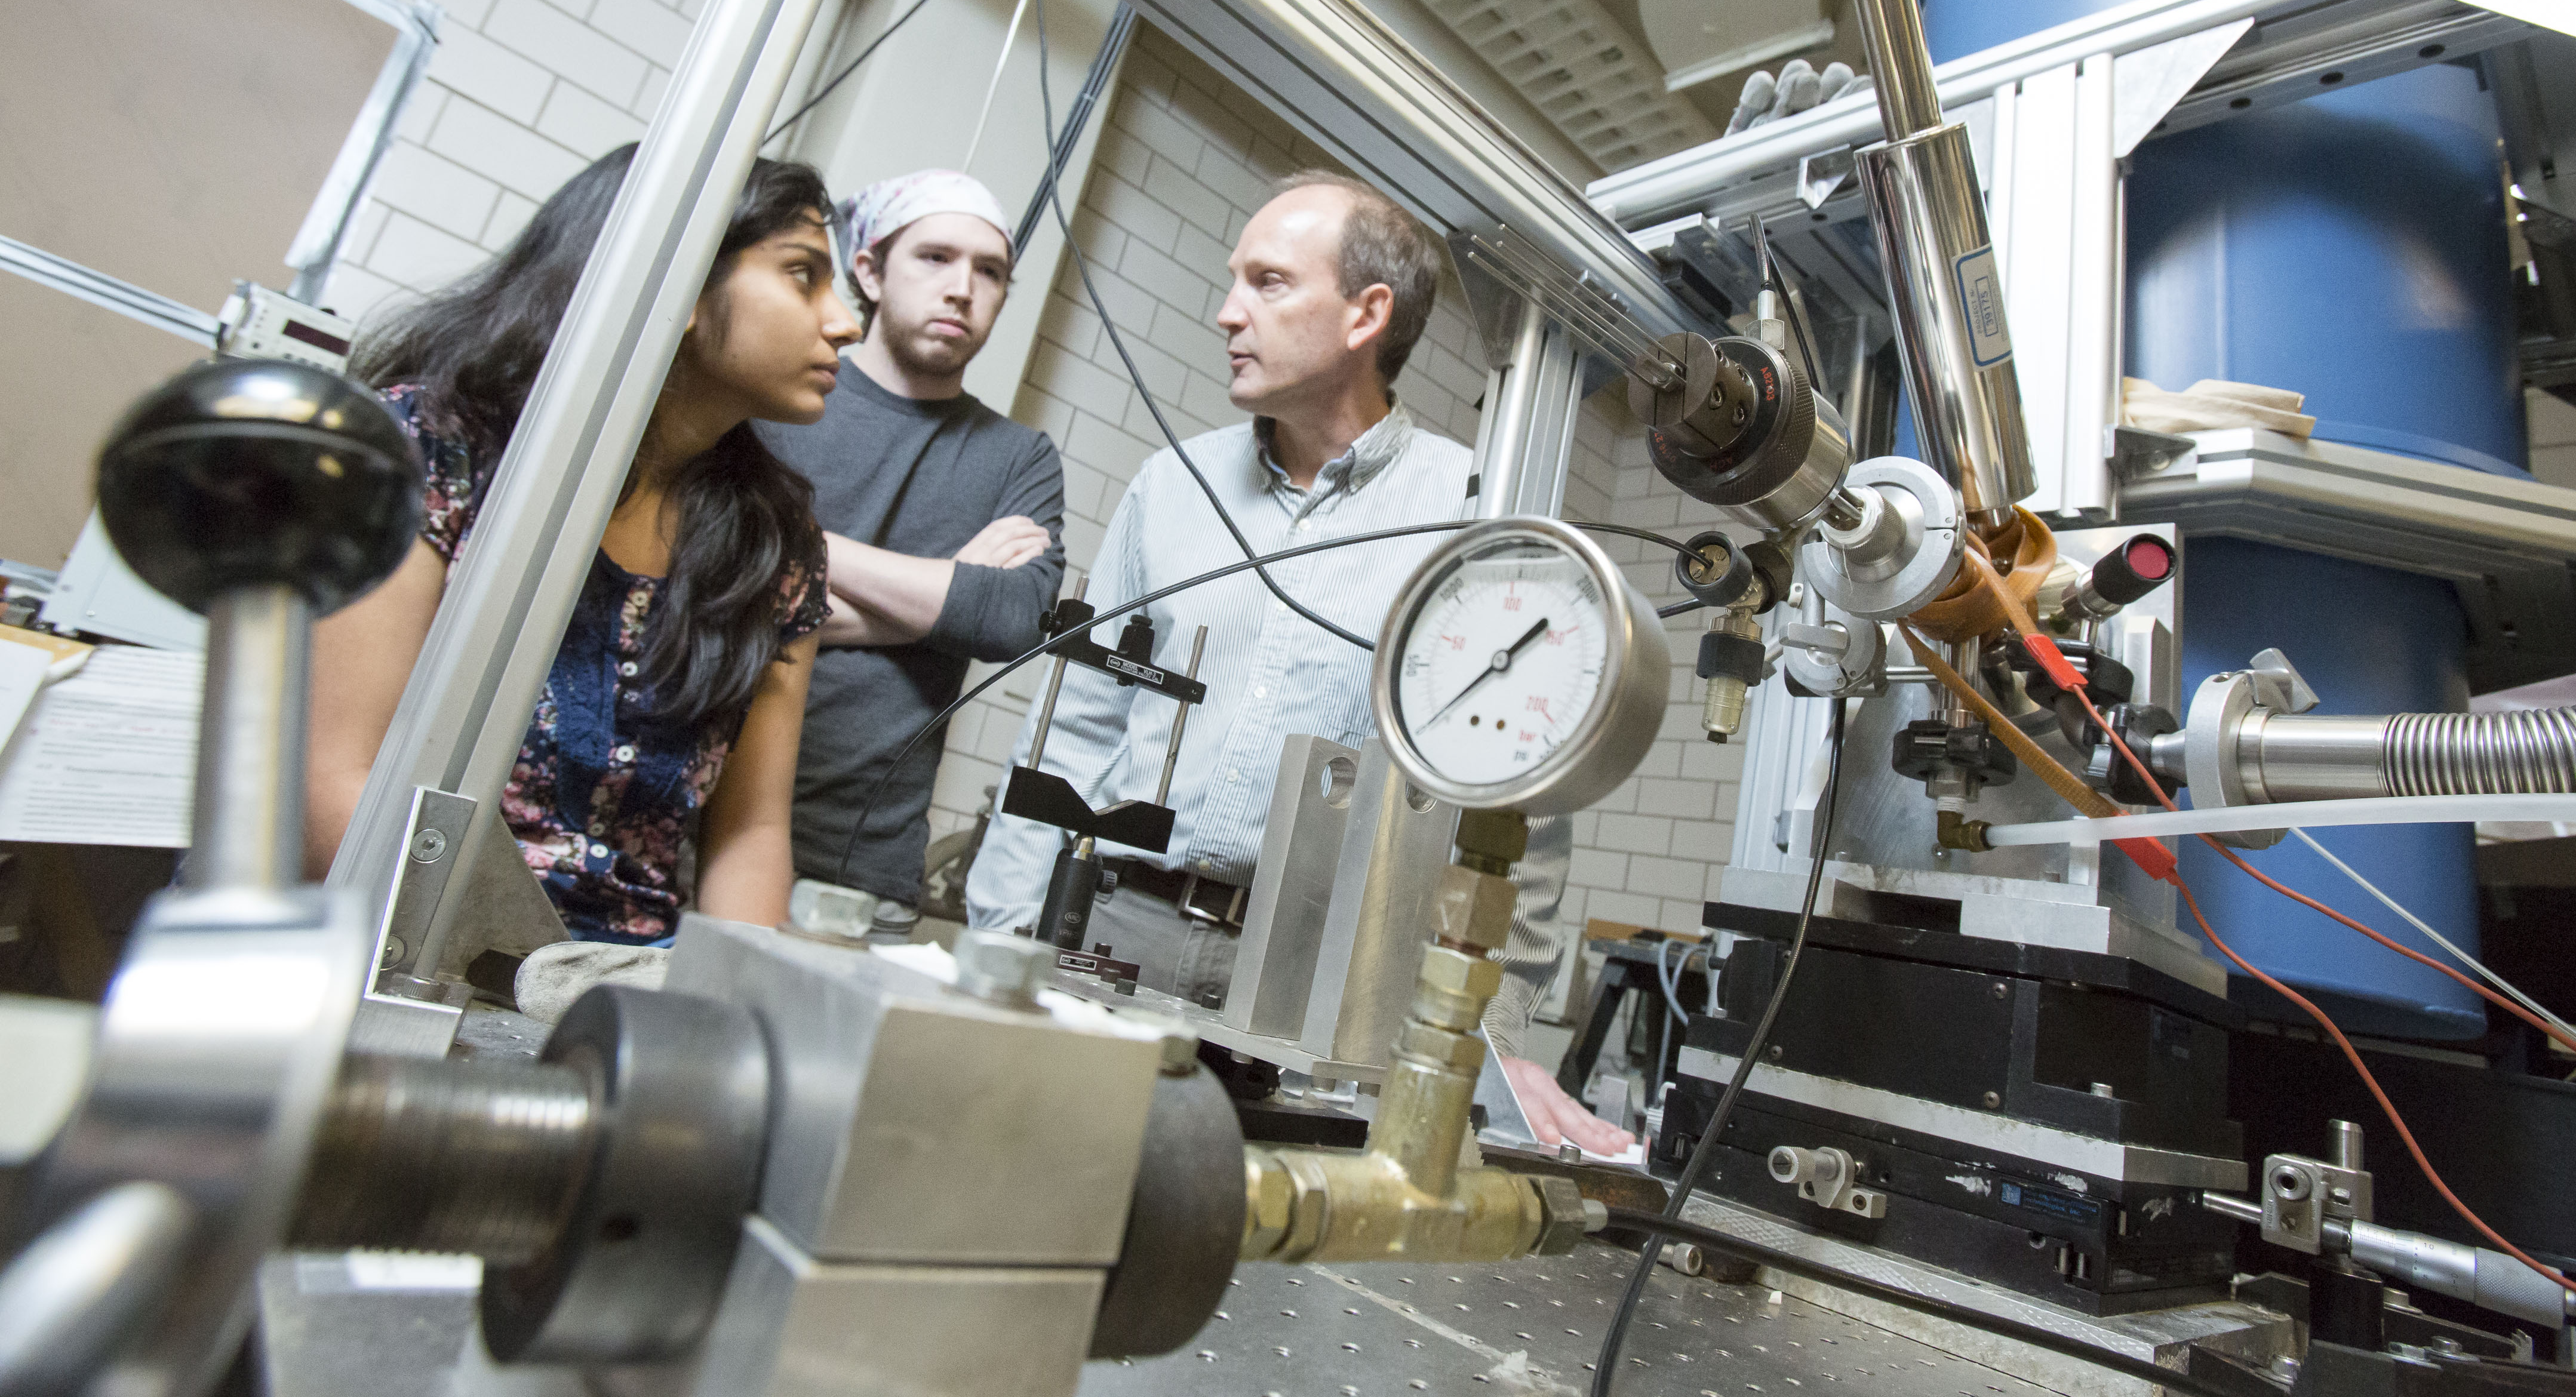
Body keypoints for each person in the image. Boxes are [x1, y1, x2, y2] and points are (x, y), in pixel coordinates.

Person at [967, 170, 1631, 1154]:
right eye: (1236, 280)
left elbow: (1523, 814)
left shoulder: (1474, 511)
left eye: (1268, 283)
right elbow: (1076, 724)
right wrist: (997, 947)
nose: (1226, 311)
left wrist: (1487, 1043)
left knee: (1268, 1260)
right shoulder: (1171, 489)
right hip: (1116, 939)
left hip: (1324, 982)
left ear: (1367, 315)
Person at [304, 147, 860, 947]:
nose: (843, 321)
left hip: (619, 983)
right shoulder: (426, 449)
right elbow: (334, 784)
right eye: (803, 274)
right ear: (678, 282)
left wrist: (720, 1012)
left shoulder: (777, 549)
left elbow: (751, 836)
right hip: (395, 940)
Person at [760, 171, 1065, 941]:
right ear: (868, 271)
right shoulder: (778, 402)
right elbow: (721, 596)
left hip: (865, 875)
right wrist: (942, 598)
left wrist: (801, 546)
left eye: (989, 271)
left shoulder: (1018, 457)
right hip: (697, 828)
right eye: (934, 258)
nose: (963, 288)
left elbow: (1009, 623)